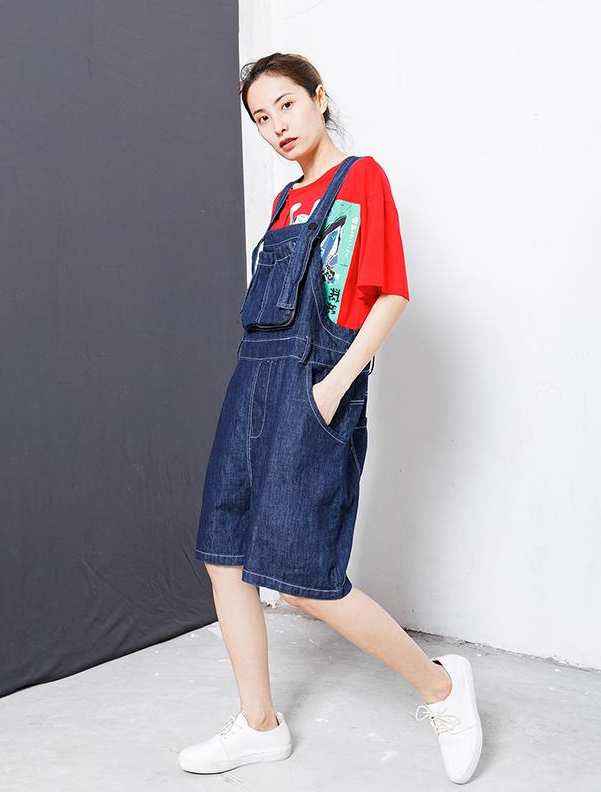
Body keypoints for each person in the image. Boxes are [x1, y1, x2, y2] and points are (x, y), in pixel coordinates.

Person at [179, 52, 483, 785]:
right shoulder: (286, 201)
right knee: (225, 555)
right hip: (251, 386)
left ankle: (443, 687)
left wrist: (330, 389)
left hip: (315, 388)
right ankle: (259, 724)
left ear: (319, 99)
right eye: (261, 118)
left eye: (286, 105)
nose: (276, 126)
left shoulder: (361, 180)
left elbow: (390, 295)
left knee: (304, 580)